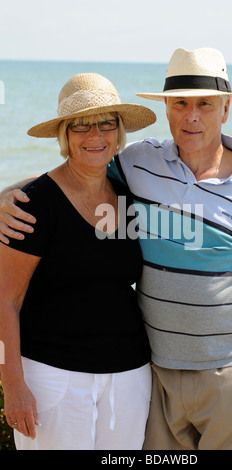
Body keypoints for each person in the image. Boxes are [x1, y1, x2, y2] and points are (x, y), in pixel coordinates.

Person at [0, 48, 232, 450]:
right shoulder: (140, 165)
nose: (192, 116)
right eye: (181, 104)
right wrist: (7, 195)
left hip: (220, 371)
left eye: (204, 104)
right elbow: (71, 180)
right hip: (150, 372)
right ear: (168, 110)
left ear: (225, 110)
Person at [0, 72, 156, 450]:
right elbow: (5, 300)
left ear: (119, 133)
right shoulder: (32, 205)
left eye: (106, 124)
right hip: (52, 376)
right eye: (81, 127)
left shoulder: (127, 195)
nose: (95, 136)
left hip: (130, 377)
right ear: (64, 136)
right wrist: (13, 385)